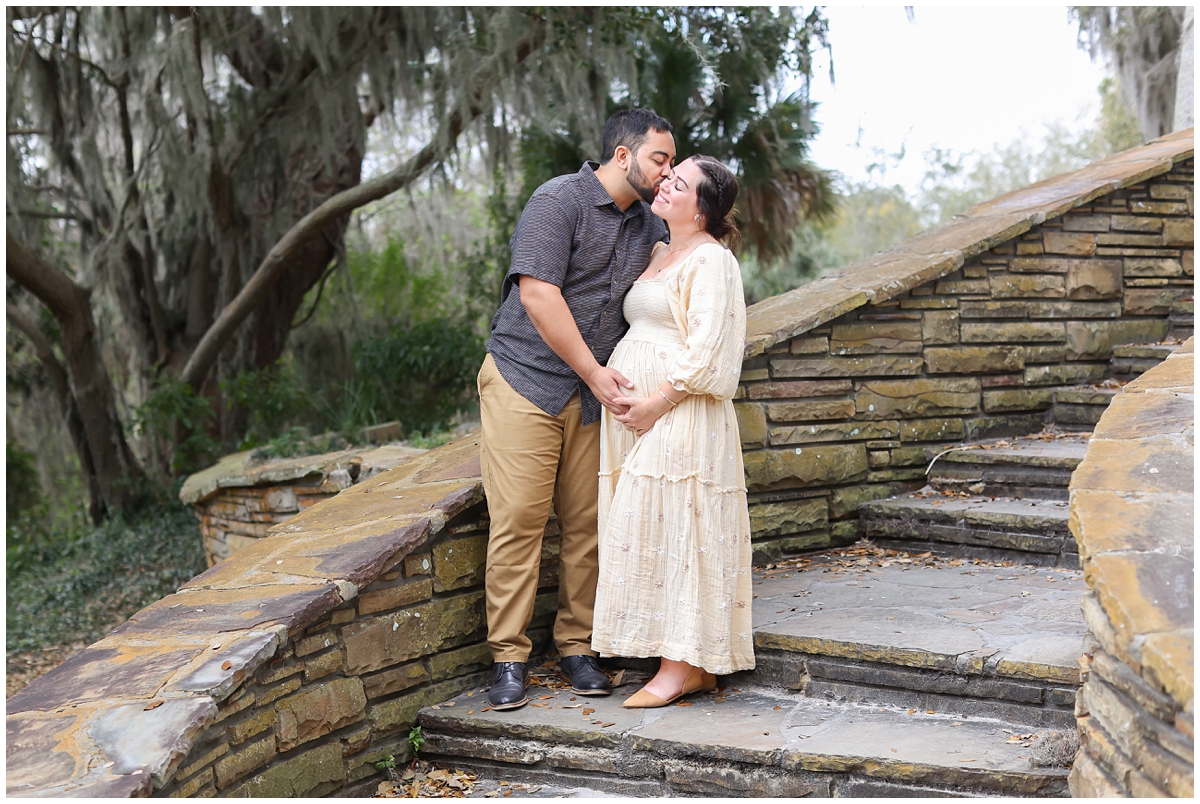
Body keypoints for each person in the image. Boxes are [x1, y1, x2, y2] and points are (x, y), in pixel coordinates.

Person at [478, 109, 677, 710]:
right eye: (659, 159)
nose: (666, 172)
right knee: (518, 522)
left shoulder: (650, 226)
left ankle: (576, 646)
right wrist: (594, 373)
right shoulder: (557, 200)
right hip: (525, 380)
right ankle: (509, 659)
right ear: (623, 155)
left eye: (671, 163)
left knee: (589, 526)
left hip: (595, 400)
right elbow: (538, 292)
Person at [591, 155, 754, 708]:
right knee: (649, 529)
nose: (666, 183)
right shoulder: (661, 251)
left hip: (680, 414)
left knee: (681, 527)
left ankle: (678, 668)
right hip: (640, 414)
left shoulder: (712, 261)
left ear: (702, 210)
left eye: (679, 183)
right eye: (669, 175)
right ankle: (689, 666)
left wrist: (656, 403)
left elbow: (711, 349)